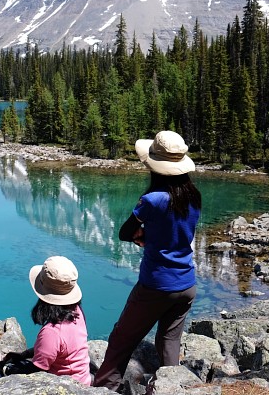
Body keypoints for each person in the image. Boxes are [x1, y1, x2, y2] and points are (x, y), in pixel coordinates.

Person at [93, 130, 202, 392]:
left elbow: (124, 232)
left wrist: (142, 235)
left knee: (122, 338)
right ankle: (172, 387)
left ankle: (104, 388)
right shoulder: (194, 196)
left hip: (156, 285)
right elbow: (174, 231)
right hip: (187, 284)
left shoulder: (152, 200)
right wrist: (150, 236)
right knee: (169, 341)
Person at [0, 255, 92, 386]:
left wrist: (4, 368)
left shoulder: (52, 332)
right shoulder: (77, 311)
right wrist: (23, 355)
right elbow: (54, 350)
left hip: (64, 386)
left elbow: (37, 371)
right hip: (82, 380)